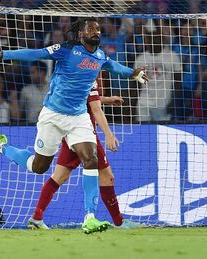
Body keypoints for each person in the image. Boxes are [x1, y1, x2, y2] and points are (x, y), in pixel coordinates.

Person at [0, 18, 148, 185]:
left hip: (79, 117)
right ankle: (2, 147)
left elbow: (116, 67)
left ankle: (90, 216)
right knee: (39, 167)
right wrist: (4, 55)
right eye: (90, 29)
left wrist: (133, 73)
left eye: (98, 29)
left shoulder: (101, 55)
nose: (95, 32)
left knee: (91, 159)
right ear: (80, 33)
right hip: (54, 114)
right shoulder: (67, 49)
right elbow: (36, 54)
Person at [27, 81, 140, 234]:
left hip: (71, 131)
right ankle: (118, 222)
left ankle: (37, 217)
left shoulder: (81, 67)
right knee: (107, 176)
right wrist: (109, 134)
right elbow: (95, 108)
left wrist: (106, 99)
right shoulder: (91, 67)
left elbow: (88, 98)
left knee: (60, 175)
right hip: (84, 133)